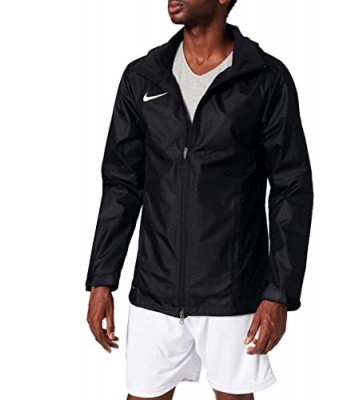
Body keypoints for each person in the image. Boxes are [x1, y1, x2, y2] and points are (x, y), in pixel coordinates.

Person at [85, 1, 314, 399]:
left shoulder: (264, 78)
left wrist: (279, 292)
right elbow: (122, 184)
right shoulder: (143, 76)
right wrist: (102, 278)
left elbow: (291, 188)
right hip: (155, 289)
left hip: (233, 292)